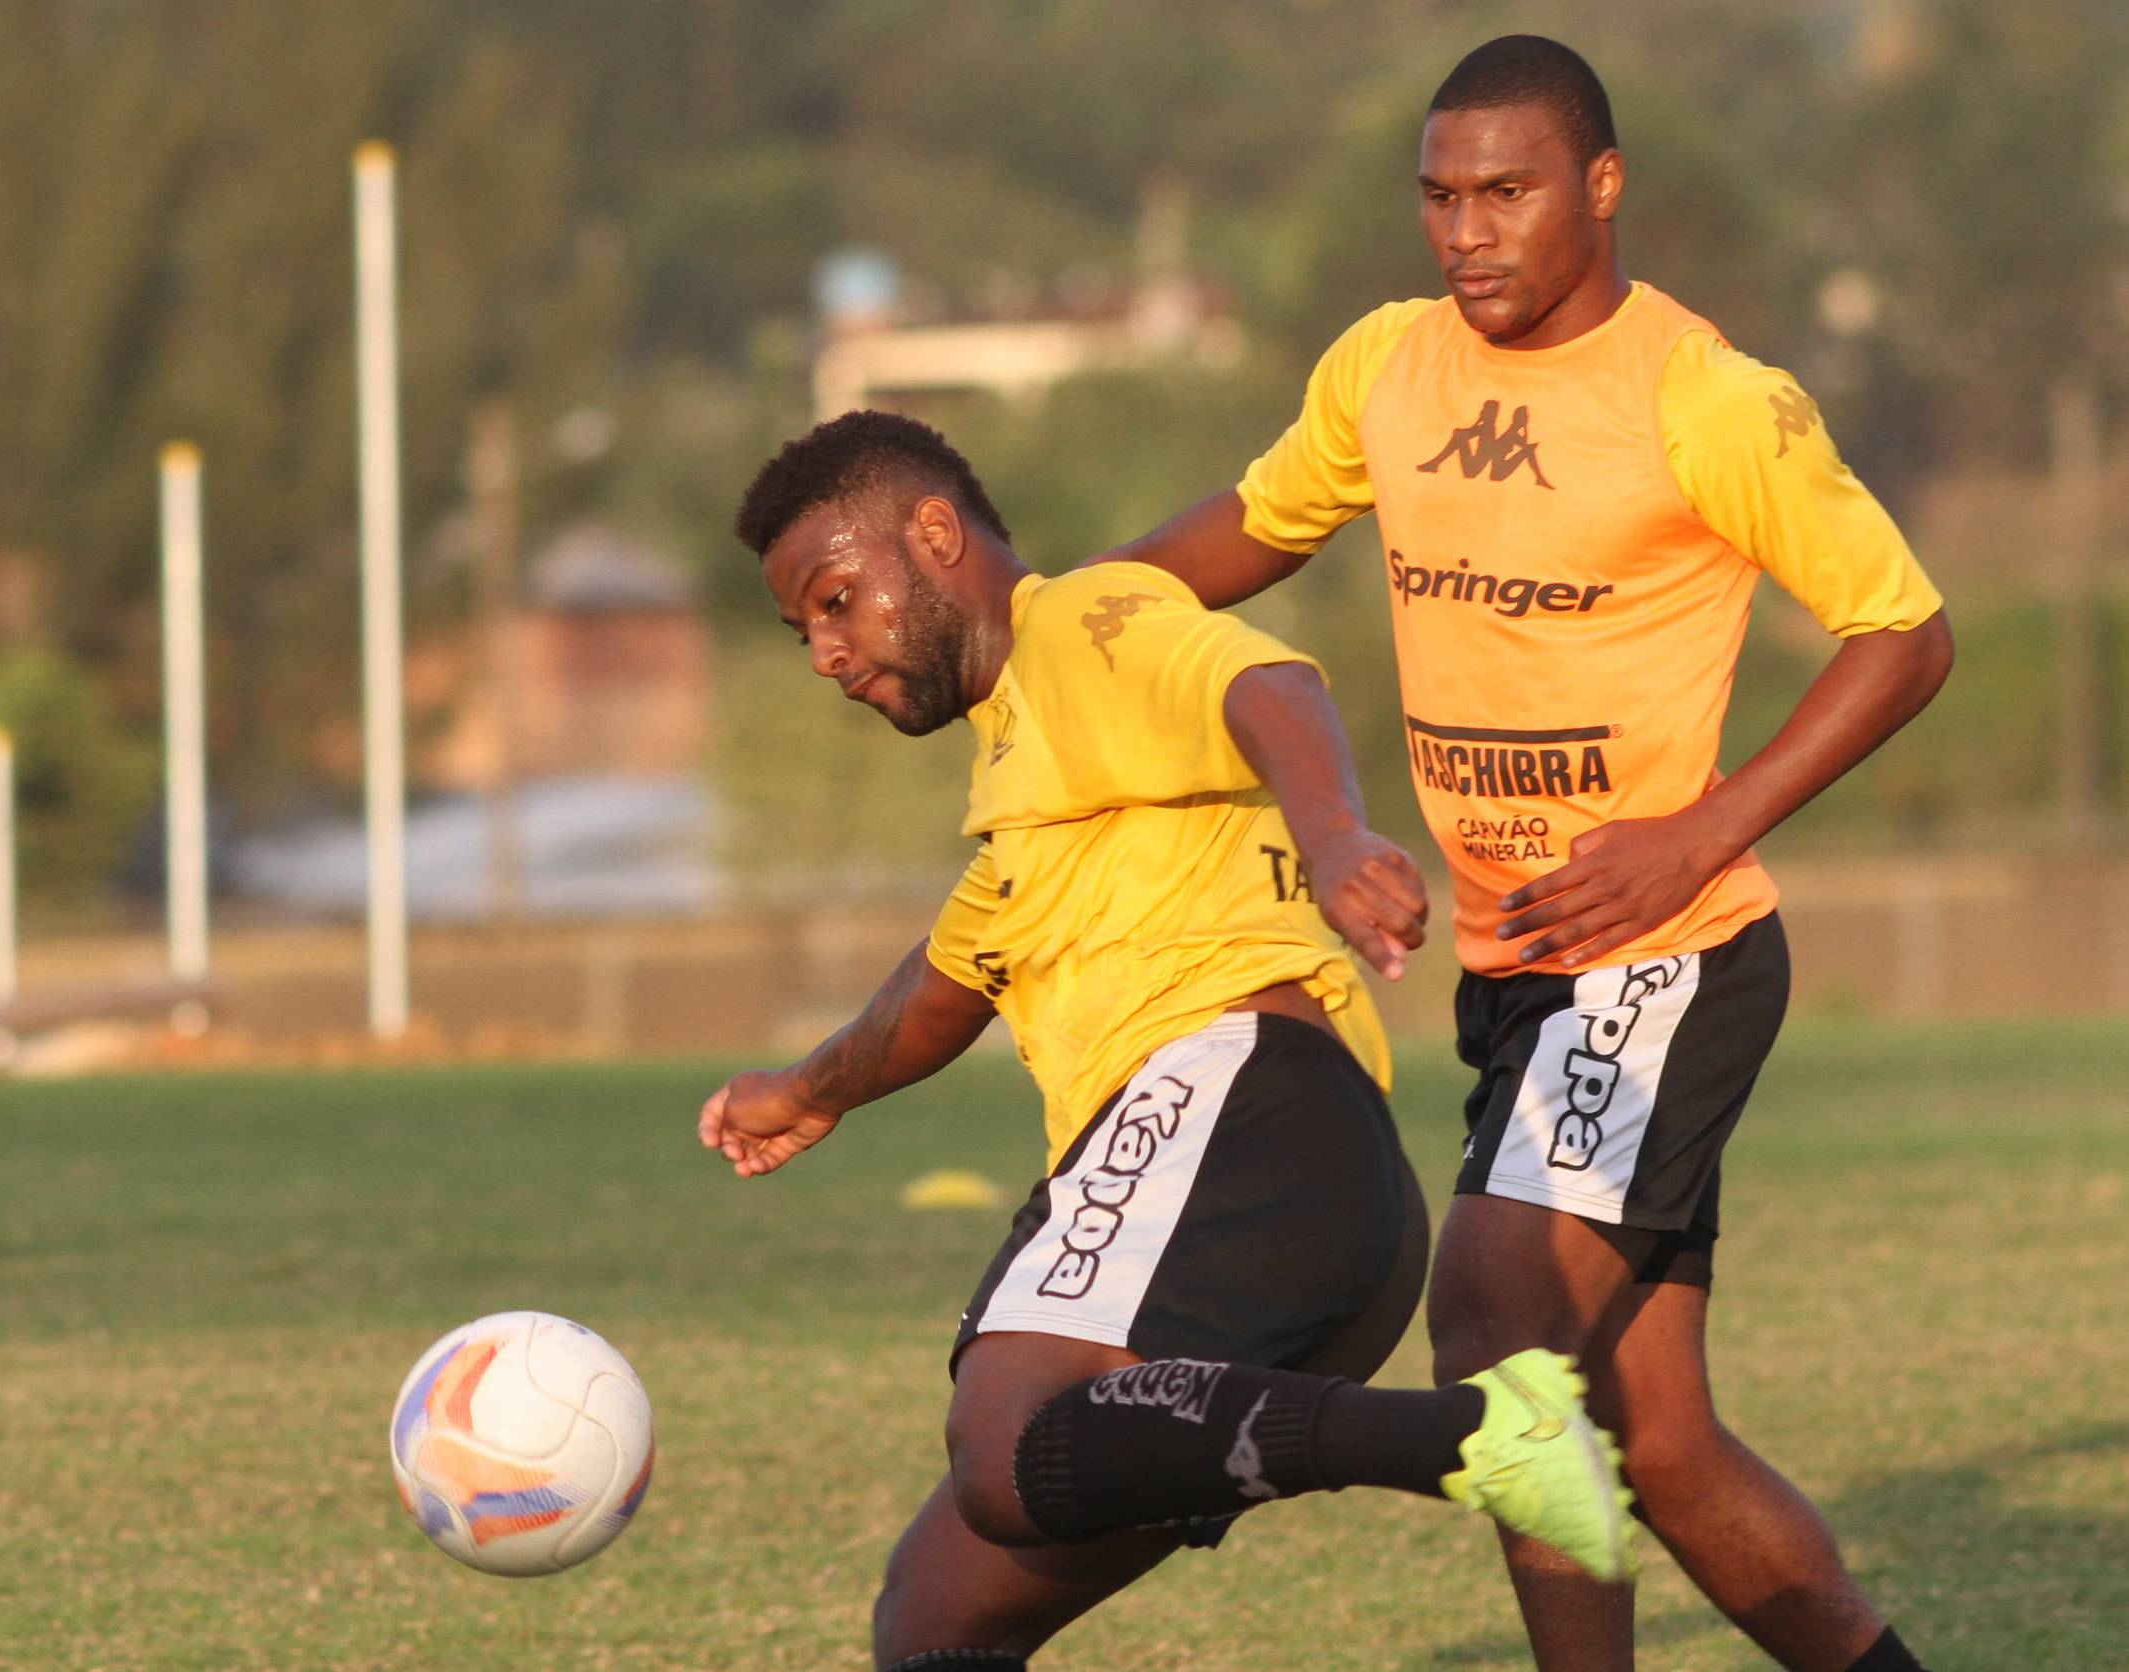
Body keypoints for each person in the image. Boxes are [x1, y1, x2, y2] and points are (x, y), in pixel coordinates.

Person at [1098, 34, 1953, 1672]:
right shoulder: (1388, 369)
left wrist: (1702, 824)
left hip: (1668, 955)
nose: (1467, 229)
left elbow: (1903, 634)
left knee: (1490, 1319)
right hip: (1516, 973)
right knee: (1659, 1445)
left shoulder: (1710, 398)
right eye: (1439, 196)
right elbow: (1258, 526)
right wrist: (1062, 615)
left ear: (1603, 188)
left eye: (1506, 190)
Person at [700, 408, 1642, 1672]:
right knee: (936, 1609)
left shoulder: (1081, 624)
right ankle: (1464, 1436)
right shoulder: (1031, 795)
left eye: (836, 599)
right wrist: (805, 1092)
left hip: (1240, 1105)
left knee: (1002, 1437)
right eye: (801, 626)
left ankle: (1472, 1436)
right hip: (1294, 1201)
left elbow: (1270, 683)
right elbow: (938, 986)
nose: (823, 650)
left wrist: (1333, 838)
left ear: (933, 535)